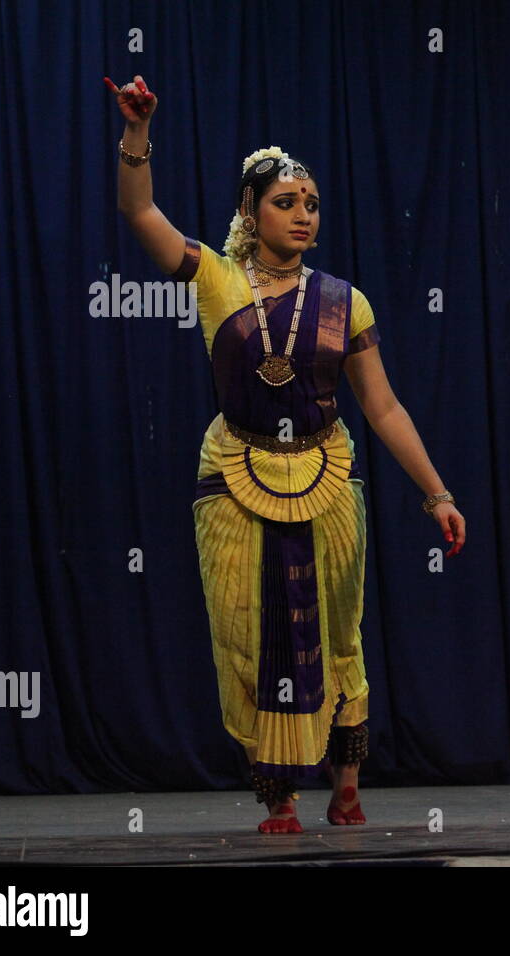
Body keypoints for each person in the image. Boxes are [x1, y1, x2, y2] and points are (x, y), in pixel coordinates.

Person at [104, 74, 466, 833]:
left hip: (329, 472)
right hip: (235, 472)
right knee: (247, 631)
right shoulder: (216, 278)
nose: (304, 215)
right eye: (285, 203)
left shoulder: (345, 301)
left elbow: (384, 406)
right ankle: (279, 796)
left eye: (311, 204)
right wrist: (137, 132)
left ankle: (347, 784)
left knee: (338, 626)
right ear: (250, 211)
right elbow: (138, 210)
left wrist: (437, 494)